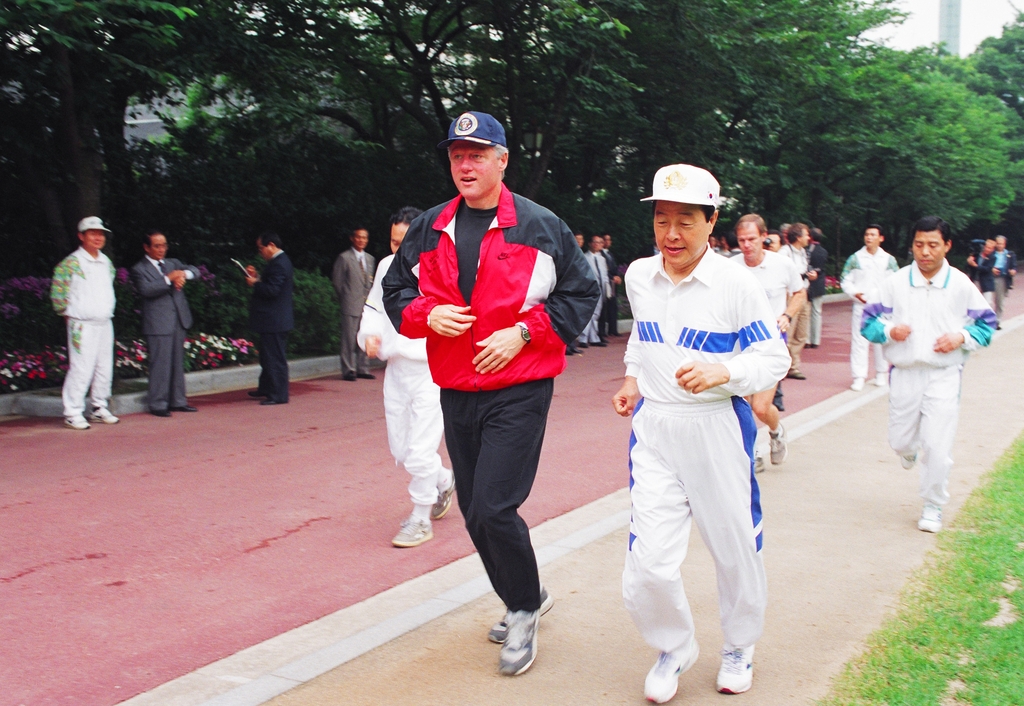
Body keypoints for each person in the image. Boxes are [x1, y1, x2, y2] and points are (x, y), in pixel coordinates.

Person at [382, 111, 599, 677]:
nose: (466, 164)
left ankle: (524, 607)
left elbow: (583, 291)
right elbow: (395, 289)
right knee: (476, 514)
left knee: (496, 507)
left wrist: (525, 332)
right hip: (456, 387)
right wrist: (428, 314)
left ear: (503, 160)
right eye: (457, 155)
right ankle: (525, 593)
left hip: (520, 388)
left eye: (478, 154)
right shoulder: (430, 227)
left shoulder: (541, 225)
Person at [612, 165, 790, 702]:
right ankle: (674, 647)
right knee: (649, 560)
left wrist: (726, 372)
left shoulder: (735, 284)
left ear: (712, 222)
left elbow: (773, 356)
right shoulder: (641, 276)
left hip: (717, 429)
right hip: (656, 429)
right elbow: (643, 339)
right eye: (661, 220)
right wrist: (631, 380)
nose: (670, 234)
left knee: (734, 546)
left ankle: (739, 644)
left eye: (685, 222)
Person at [861, 216, 995, 534]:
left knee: (937, 445)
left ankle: (933, 503)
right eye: (919, 244)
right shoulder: (896, 282)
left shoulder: (961, 284)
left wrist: (961, 337)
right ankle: (908, 450)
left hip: (944, 375)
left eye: (933, 245)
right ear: (912, 246)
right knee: (900, 442)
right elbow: (868, 322)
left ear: (947, 246)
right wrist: (891, 329)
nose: (925, 252)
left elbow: (987, 325)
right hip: (905, 374)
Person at [357, 207, 456, 548]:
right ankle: (443, 481)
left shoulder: (444, 266)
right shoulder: (386, 266)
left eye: (404, 243)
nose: (397, 250)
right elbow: (373, 308)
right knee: (400, 448)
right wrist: (369, 335)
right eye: (393, 242)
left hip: (432, 370)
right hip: (396, 369)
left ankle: (419, 516)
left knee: (419, 449)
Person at [735, 214, 803, 473]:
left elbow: (799, 292)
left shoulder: (782, 265)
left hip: (771, 345)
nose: (746, 245)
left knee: (760, 407)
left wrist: (786, 315)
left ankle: (776, 431)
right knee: (739, 403)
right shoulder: (730, 267)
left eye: (751, 239)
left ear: (764, 237)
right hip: (739, 345)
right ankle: (751, 452)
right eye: (741, 240)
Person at [50, 217, 119, 430]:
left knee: (104, 367)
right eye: (92, 233)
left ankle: (99, 407)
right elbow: (58, 294)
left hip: (104, 322)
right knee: (81, 367)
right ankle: (72, 411)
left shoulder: (106, 262)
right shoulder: (71, 263)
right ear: (81, 236)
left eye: (101, 233)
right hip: (82, 324)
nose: (98, 237)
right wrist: (69, 315)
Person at [130, 231, 200, 417]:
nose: (162, 249)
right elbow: (146, 289)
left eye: (164, 245)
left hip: (178, 318)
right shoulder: (139, 269)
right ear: (147, 247)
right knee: (160, 363)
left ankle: (178, 400)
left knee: (178, 362)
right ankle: (158, 403)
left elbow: (196, 270)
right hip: (157, 323)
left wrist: (182, 274)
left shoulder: (173, 263)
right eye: (157, 246)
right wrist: (169, 279)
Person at [841, 224, 899, 391]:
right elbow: (846, 280)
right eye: (867, 234)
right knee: (859, 341)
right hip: (861, 305)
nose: (869, 237)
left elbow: (894, 281)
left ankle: (881, 373)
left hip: (881, 307)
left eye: (873, 235)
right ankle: (859, 376)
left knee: (881, 338)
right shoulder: (855, 258)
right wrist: (854, 293)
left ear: (881, 238)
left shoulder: (888, 259)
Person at [245, 231, 294, 405]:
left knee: (275, 358)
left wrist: (255, 283)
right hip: (273, 320)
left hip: (275, 320)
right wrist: (257, 278)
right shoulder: (278, 262)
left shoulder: (279, 264)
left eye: (261, 248)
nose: (260, 252)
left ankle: (278, 394)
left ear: (271, 245)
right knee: (267, 357)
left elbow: (272, 290)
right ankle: (266, 388)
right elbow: (271, 284)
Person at [332, 228, 377, 381]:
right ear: (352, 238)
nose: (362, 240)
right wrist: (346, 298)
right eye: (359, 237)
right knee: (349, 339)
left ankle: (363, 368)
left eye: (365, 238)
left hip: (367, 305)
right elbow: (338, 282)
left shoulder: (370, 259)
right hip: (350, 304)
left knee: (365, 335)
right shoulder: (344, 258)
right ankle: (348, 369)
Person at [778, 223, 815, 379]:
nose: (809, 238)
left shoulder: (804, 253)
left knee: (801, 332)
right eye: (806, 235)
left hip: (803, 293)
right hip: (790, 295)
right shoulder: (784, 252)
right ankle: (782, 366)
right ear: (799, 237)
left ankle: (793, 366)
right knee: (789, 331)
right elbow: (781, 275)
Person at [579, 234, 609, 348]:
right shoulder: (585, 257)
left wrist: (607, 289)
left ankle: (594, 337)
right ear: (590, 244)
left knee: (596, 314)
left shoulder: (602, 259)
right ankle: (583, 338)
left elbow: (605, 275)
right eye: (595, 242)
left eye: (600, 242)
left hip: (600, 288)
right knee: (587, 313)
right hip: (589, 288)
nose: (597, 244)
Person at [806, 228, 828, 348]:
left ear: (810, 237)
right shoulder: (824, 251)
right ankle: (816, 340)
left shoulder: (807, 251)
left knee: (807, 313)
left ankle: (807, 339)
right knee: (817, 313)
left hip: (809, 284)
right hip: (819, 284)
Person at [990, 236, 1017, 326]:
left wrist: (1013, 271)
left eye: (1001, 243)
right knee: (988, 299)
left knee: (1000, 300)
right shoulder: (991, 253)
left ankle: (998, 320)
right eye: (998, 243)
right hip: (990, 277)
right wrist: (991, 269)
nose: (999, 245)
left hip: (1002, 278)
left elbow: (1013, 266)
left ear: (1004, 244)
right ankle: (989, 319)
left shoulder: (1009, 254)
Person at [601, 234, 622, 337]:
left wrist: (617, 276)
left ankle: (613, 329)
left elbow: (615, 268)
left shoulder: (611, 254)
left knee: (613, 306)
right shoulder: (599, 254)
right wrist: (611, 277)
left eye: (609, 240)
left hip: (613, 284)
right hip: (606, 283)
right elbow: (603, 270)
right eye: (605, 240)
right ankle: (603, 331)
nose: (607, 242)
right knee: (605, 307)